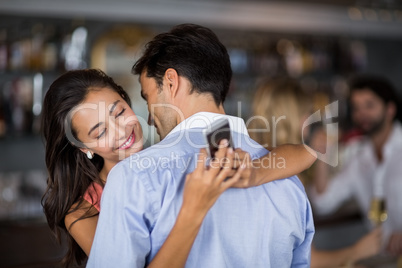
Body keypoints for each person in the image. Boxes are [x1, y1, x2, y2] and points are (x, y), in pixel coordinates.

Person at [87, 24, 315, 267]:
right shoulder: (288, 182)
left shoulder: (132, 176)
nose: (150, 118)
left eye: (148, 97)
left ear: (171, 82)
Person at [41, 69, 316, 267]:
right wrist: (193, 209)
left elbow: (303, 153)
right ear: (83, 147)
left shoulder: (175, 154)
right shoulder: (83, 210)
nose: (121, 130)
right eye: (100, 131)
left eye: (120, 112)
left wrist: (255, 171)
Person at [248, 76, 382, 267]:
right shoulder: (284, 175)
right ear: (296, 119)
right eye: (307, 113)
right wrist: (357, 251)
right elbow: (310, 260)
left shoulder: (252, 160)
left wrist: (319, 157)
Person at [309, 74, 402, 258]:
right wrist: (321, 155)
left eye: (369, 105)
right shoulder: (359, 156)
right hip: (385, 259)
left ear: (390, 109)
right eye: (356, 108)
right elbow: (323, 202)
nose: (361, 114)